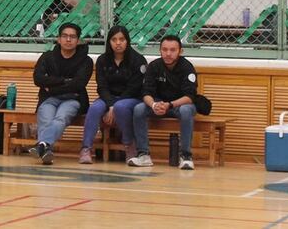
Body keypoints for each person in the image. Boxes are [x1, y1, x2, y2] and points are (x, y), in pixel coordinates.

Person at [128, 35, 198, 170]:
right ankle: (143, 155)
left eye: (172, 50)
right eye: (164, 50)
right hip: (158, 105)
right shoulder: (154, 66)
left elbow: (190, 96)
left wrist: (170, 104)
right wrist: (154, 105)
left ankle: (186, 156)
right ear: (160, 50)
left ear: (180, 51)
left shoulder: (187, 67)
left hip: (179, 105)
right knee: (139, 109)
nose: (168, 53)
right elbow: (146, 93)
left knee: (186, 110)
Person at [79, 25, 147, 164]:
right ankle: (86, 148)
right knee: (95, 108)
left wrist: (114, 106)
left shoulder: (138, 60)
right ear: (109, 42)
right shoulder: (102, 60)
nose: (118, 43)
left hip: (131, 98)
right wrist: (110, 104)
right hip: (108, 98)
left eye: (121, 39)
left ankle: (129, 146)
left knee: (121, 107)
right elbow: (102, 86)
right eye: (114, 39)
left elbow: (134, 88)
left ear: (127, 41)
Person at [30, 22, 93, 164]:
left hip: (73, 99)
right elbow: (38, 79)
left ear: (78, 40)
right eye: (64, 36)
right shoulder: (47, 57)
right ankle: (46, 149)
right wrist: (65, 81)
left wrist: (51, 86)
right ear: (58, 39)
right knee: (46, 118)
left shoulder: (86, 61)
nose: (68, 40)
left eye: (72, 37)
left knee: (61, 117)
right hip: (49, 99)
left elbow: (79, 84)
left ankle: (42, 145)